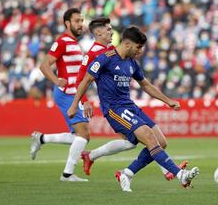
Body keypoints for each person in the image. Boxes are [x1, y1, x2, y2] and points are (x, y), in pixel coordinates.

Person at [68, 26, 199, 192]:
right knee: (150, 138)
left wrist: (167, 101)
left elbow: (145, 85)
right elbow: (85, 81)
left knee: (161, 142)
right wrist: (75, 105)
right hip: (114, 109)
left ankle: (127, 173)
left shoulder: (131, 63)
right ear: (128, 44)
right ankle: (180, 175)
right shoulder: (105, 59)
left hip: (130, 106)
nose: (140, 51)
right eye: (138, 47)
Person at [30, 8, 90, 182]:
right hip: (65, 94)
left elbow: (79, 77)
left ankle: (41, 138)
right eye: (77, 21)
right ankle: (67, 174)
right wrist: (56, 81)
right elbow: (44, 65)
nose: (81, 24)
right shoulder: (62, 41)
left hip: (74, 94)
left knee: (80, 135)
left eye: (82, 20)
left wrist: (84, 99)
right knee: (83, 134)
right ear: (67, 23)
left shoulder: (75, 44)